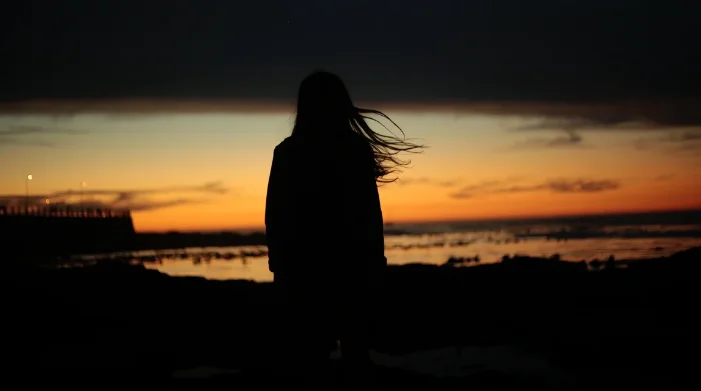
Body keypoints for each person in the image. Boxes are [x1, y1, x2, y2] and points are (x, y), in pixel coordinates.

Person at [265, 71, 422, 388]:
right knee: (353, 353)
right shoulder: (354, 150)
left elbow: (276, 217)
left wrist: (279, 265)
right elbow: (369, 216)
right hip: (349, 266)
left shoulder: (288, 153)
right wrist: (376, 262)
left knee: (313, 357)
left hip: (304, 268)